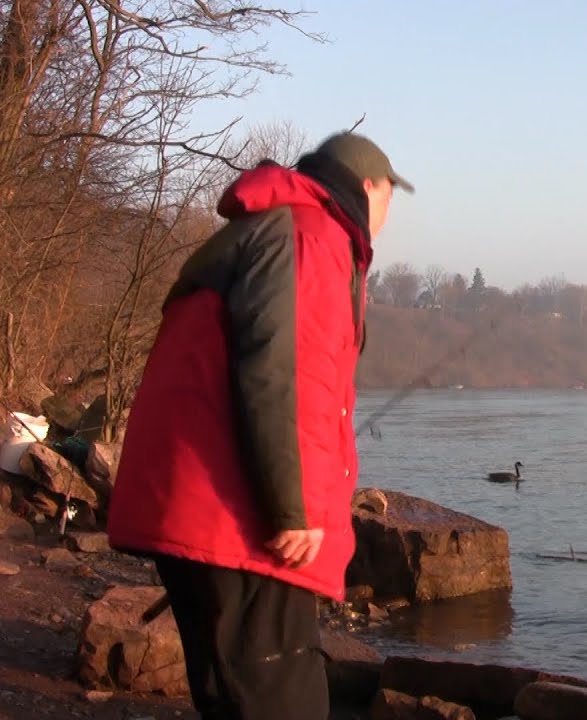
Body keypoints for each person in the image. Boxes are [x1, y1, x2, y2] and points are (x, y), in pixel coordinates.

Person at [106, 131, 413, 719]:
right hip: (235, 525)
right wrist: (291, 509)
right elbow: (284, 376)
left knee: (236, 699)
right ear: (370, 187)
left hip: (200, 509)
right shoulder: (310, 236)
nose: (390, 214)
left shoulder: (272, 228)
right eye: (391, 197)